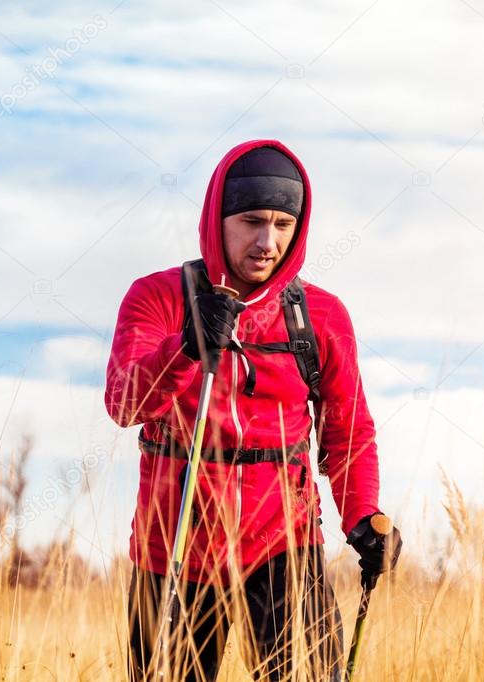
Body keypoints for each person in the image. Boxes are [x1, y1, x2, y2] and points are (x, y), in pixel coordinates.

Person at [104, 139, 402, 681]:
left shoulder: (322, 315)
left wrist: (361, 513)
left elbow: (349, 431)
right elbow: (124, 403)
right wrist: (187, 347)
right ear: (217, 218)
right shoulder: (158, 298)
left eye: (284, 225)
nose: (268, 242)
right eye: (252, 221)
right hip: (174, 549)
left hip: (286, 542)